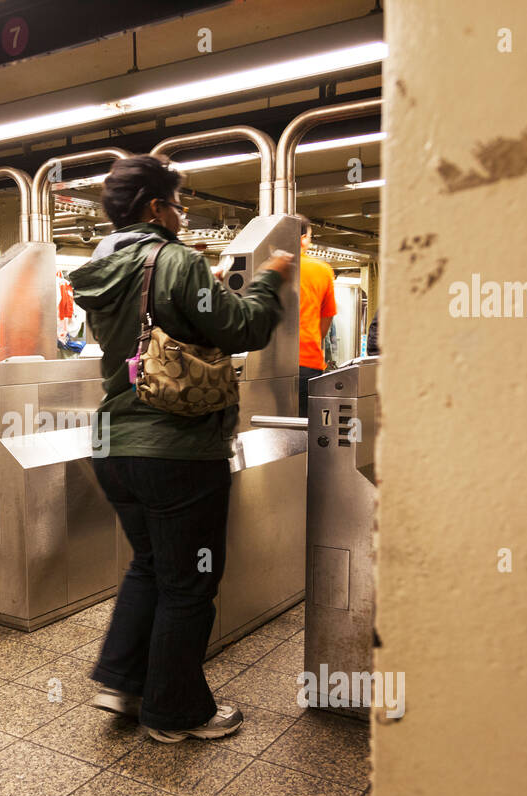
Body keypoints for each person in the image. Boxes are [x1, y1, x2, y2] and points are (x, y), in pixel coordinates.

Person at [68, 155, 294, 743]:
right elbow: (241, 328)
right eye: (177, 203)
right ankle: (175, 712)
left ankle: (121, 681)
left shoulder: (99, 266)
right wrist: (270, 279)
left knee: (150, 565)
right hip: (175, 449)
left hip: (113, 444)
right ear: (154, 208)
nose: (181, 213)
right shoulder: (175, 260)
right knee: (189, 583)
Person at [296, 215, 337, 416]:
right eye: (310, 236)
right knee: (306, 434)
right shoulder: (322, 270)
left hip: (264, 365)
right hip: (308, 362)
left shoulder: (266, 266)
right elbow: (326, 320)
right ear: (303, 238)